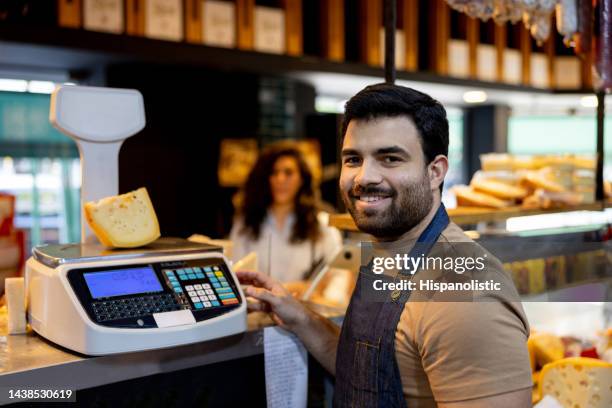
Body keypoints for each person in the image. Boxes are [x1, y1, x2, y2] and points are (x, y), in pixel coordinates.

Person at [237, 84, 532, 407]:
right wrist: (300, 317)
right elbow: (369, 375)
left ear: (435, 172)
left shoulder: (463, 289)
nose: (365, 177)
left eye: (390, 158)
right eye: (353, 159)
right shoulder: (388, 251)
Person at [230, 142, 342, 283]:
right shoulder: (245, 223)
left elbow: (338, 276)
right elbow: (237, 274)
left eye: (288, 172)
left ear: (302, 179)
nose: (280, 179)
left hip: (304, 304)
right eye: (273, 173)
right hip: (257, 302)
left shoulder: (322, 225)